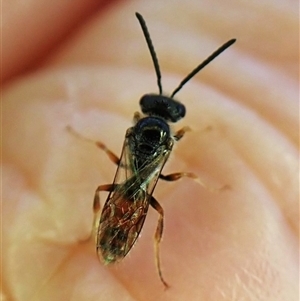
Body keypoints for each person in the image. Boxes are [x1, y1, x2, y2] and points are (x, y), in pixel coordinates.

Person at [2, 1, 298, 300]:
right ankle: (127, 248)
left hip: (126, 192)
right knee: (168, 199)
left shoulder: (135, 130)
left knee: (107, 187)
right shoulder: (169, 139)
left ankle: (97, 234)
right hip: (140, 194)